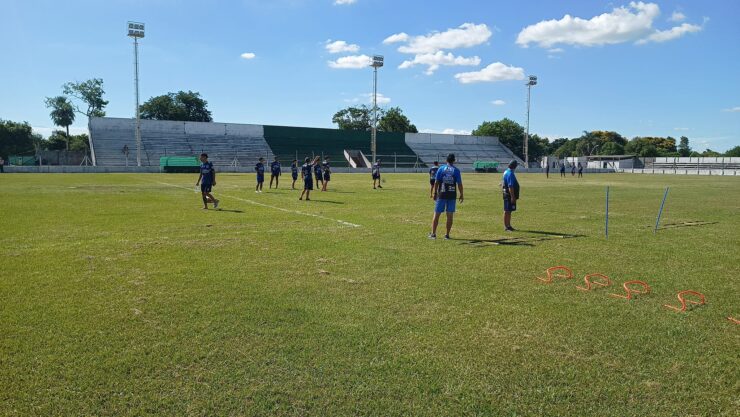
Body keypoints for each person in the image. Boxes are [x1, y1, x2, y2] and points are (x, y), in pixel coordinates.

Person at [429, 154, 463, 240]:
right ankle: (447, 235)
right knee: (450, 215)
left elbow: (436, 182)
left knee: (436, 214)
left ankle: (433, 234)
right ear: (454, 160)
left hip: (442, 194)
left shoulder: (441, 169)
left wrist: (434, 193)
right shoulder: (456, 170)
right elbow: (459, 184)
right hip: (452, 195)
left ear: (446, 160)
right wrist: (461, 194)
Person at [502, 160, 520, 231]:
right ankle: (506, 226)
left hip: (506, 194)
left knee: (508, 211)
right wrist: (513, 197)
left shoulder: (506, 171)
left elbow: (504, 182)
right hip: (509, 195)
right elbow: (510, 186)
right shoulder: (510, 174)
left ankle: (508, 225)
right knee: (507, 211)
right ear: (515, 166)